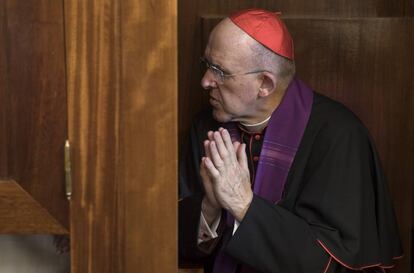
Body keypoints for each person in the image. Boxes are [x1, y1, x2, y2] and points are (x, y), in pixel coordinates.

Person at [179, 8, 402, 273]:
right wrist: (211, 207)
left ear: (265, 84)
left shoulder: (339, 136)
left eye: (220, 71)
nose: (205, 81)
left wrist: (243, 205)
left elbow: (334, 262)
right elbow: (172, 241)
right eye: (207, 65)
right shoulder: (206, 127)